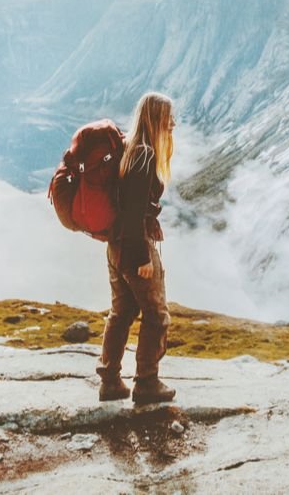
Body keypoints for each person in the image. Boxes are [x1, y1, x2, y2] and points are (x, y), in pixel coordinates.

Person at [96, 91, 177, 405]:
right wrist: (143, 257)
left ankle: (110, 381)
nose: (173, 124)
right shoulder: (144, 155)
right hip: (135, 244)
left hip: (117, 246)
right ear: (155, 118)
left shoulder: (130, 149)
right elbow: (133, 213)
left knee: (122, 312)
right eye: (168, 118)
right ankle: (146, 382)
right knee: (156, 315)